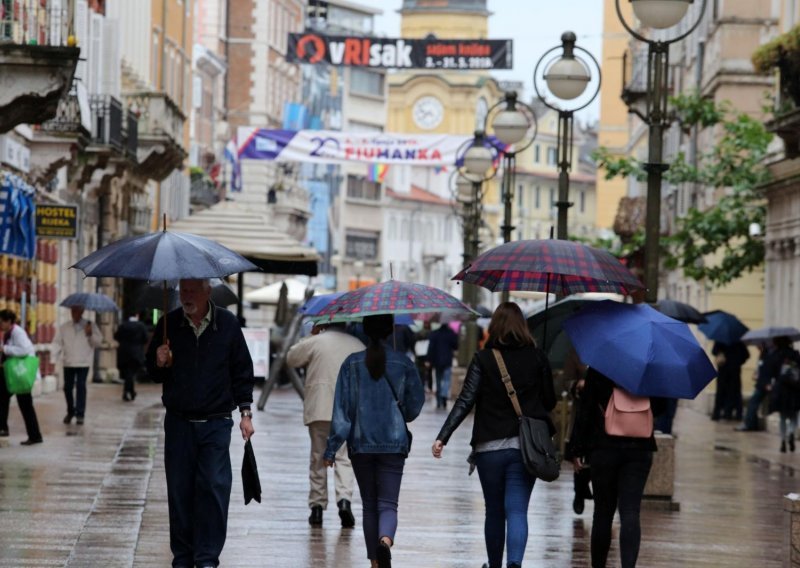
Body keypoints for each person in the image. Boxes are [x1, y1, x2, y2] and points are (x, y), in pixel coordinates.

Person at [432, 302, 555, 568]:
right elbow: (550, 401)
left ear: (494, 328)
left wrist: (444, 436)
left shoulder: (483, 359)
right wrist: (541, 368)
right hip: (525, 449)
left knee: (495, 511)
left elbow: (465, 400)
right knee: (518, 510)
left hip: (489, 449)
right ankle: (514, 564)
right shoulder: (537, 357)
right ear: (523, 327)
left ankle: (494, 564)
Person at [145, 279, 255, 568]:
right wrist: (159, 361)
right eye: (183, 290)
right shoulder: (169, 325)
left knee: (214, 491)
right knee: (180, 493)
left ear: (208, 292)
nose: (186, 296)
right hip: (179, 424)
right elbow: (152, 373)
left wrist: (246, 413)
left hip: (216, 423)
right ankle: (182, 558)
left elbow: (242, 370)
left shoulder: (228, 324)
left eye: (193, 290)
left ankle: (207, 559)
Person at [324, 314, 424, 568]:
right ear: (391, 330)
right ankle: (385, 543)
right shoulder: (404, 363)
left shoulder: (351, 364)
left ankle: (375, 563)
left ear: (364, 330)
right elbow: (414, 407)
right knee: (388, 503)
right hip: (394, 443)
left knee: (369, 505)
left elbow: (342, 411)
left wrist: (332, 447)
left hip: (361, 443)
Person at [570, 367, 666, 568]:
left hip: (604, 447)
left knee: (603, 512)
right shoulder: (650, 368)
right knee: (631, 511)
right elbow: (660, 406)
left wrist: (577, 449)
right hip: (639, 447)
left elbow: (585, 408)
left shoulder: (600, 366)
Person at [286, 321, 365, 528]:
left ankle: (317, 508)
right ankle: (344, 501)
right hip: (346, 410)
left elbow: (292, 358)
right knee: (344, 457)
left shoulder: (316, 342)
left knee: (318, 457)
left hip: (319, 408)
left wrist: (310, 336)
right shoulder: (357, 344)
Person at [53, 305, 102, 425]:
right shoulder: (64, 327)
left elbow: (98, 342)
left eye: (77, 310)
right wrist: (55, 358)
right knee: (67, 388)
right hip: (68, 361)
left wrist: (90, 334)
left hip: (83, 361)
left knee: (81, 386)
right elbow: (57, 342)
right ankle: (70, 411)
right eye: (72, 310)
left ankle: (80, 414)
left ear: (82, 311)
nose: (74, 313)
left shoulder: (90, 325)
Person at [0, 309, 42, 445]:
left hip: (20, 374)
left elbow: (24, 349)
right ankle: (3, 427)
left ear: (8, 321)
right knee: (3, 397)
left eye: (2, 322)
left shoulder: (17, 333)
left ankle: (35, 436)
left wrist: (5, 349)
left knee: (25, 405)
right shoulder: (10, 332)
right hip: (15, 374)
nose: (0, 325)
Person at [766, 336, 800, 452]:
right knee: (794, 416)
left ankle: (783, 440)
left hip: (780, 389)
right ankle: (791, 432)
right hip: (794, 389)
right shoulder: (795, 355)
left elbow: (770, 373)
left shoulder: (775, 356)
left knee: (782, 417)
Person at [736, 341, 776, 432]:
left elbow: (768, 370)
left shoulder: (767, 356)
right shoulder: (763, 355)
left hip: (764, 384)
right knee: (753, 403)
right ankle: (752, 424)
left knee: (753, 402)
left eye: (758, 345)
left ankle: (749, 424)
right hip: (761, 383)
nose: (756, 347)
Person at [711, 340, 750, 421]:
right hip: (735, 370)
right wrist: (738, 362)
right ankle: (731, 413)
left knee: (720, 392)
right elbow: (746, 355)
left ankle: (717, 413)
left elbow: (714, 351)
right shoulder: (739, 341)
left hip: (723, 370)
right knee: (735, 392)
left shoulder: (720, 339)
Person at [114, 312, 149, 401]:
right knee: (131, 373)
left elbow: (116, 336)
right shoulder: (141, 326)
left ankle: (131, 391)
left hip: (124, 352)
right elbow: (145, 339)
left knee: (128, 373)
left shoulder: (123, 325)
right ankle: (126, 392)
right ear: (137, 315)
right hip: (136, 353)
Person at [426, 318, 459, 409]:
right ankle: (444, 395)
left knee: (438, 380)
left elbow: (431, 347)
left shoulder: (434, 333)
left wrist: (428, 359)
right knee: (447, 380)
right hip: (447, 360)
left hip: (436, 361)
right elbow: (456, 346)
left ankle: (439, 400)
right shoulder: (451, 333)